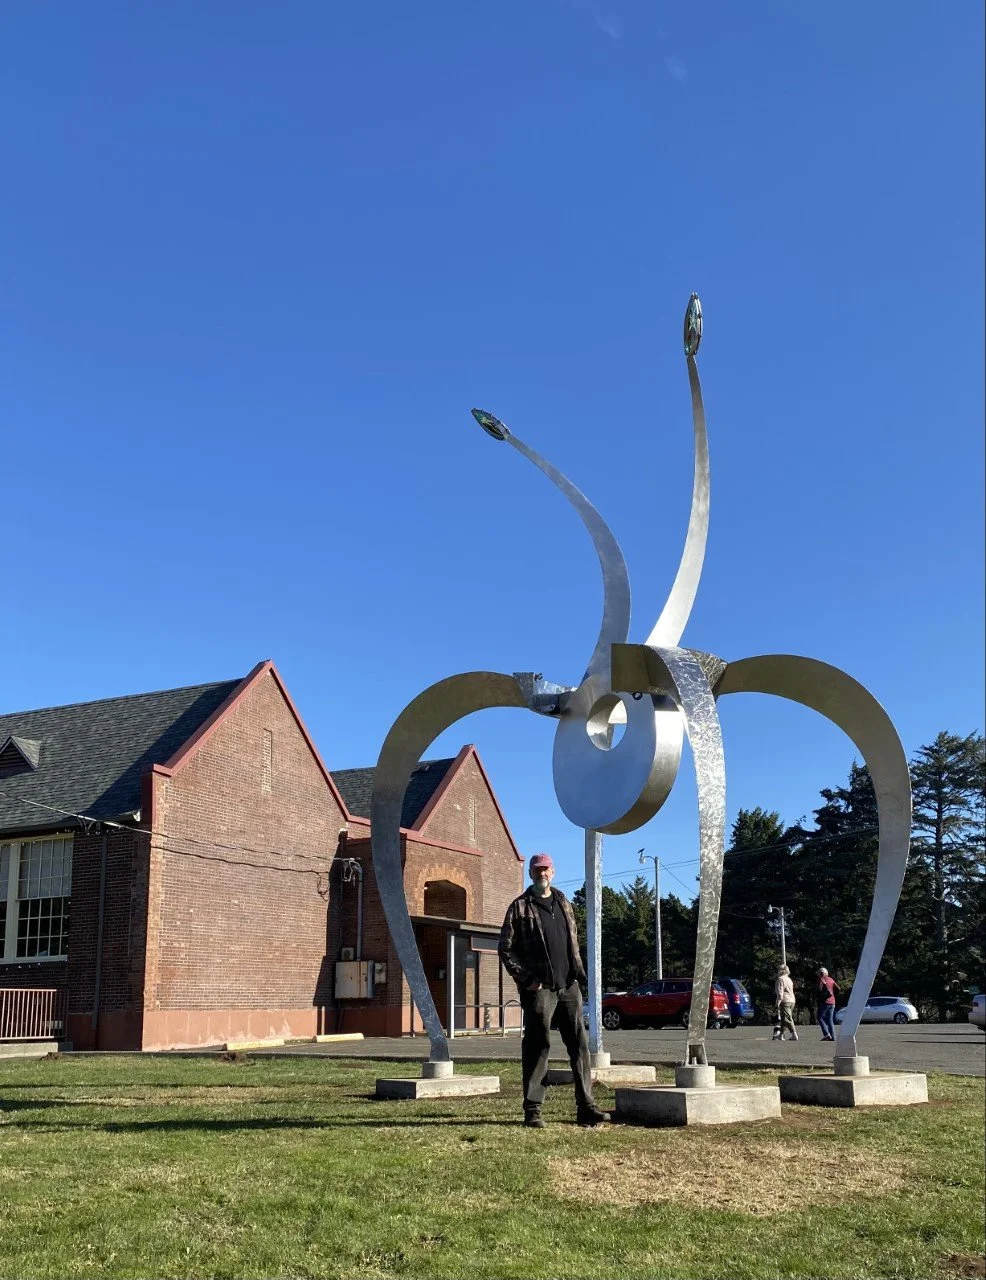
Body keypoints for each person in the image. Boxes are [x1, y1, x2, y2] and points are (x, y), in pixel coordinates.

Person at [499, 852, 610, 1129]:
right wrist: (527, 979)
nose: (542, 874)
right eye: (537, 870)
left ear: (553, 872)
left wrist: (576, 974)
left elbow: (571, 939)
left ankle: (587, 1107)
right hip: (540, 990)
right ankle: (533, 1110)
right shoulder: (519, 907)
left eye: (546, 869)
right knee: (538, 1046)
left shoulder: (563, 902)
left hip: (568, 986)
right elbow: (506, 949)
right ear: (531, 874)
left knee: (579, 1047)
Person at [774, 965, 798, 1041]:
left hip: (785, 1000)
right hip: (792, 1000)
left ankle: (794, 1034)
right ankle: (781, 1035)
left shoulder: (780, 979)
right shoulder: (789, 979)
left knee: (787, 1018)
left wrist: (777, 1002)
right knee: (784, 1019)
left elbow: (780, 993)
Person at [817, 967, 840, 1041]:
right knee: (830, 1020)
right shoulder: (831, 979)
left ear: (820, 973)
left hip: (825, 1002)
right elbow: (838, 989)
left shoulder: (821, 979)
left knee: (820, 1017)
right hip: (832, 1001)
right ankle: (833, 1037)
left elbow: (819, 990)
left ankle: (826, 1034)